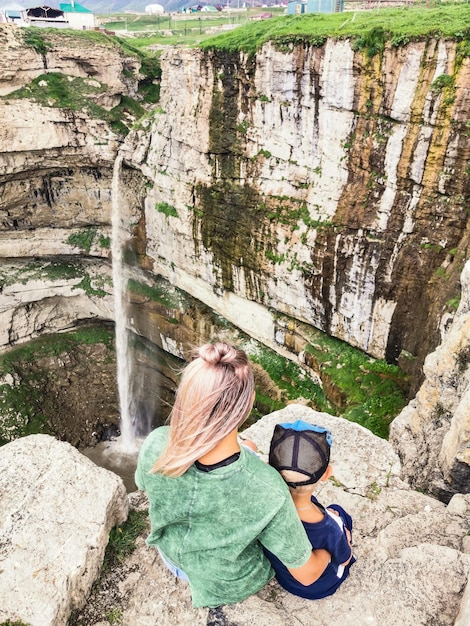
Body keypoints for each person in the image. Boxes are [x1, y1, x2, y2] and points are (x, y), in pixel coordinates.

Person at [135, 342, 331, 608]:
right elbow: (307, 575)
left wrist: (243, 451)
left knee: (245, 452)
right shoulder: (265, 487)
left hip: (170, 556)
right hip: (228, 581)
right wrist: (331, 553)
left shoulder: (156, 443)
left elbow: (143, 484)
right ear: (248, 404)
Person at [264, 419, 356, 600]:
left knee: (335, 513)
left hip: (285, 578)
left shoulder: (266, 504)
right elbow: (344, 559)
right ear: (326, 474)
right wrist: (338, 543)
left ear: (270, 467)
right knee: (339, 512)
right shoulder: (329, 527)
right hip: (318, 587)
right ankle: (347, 535)